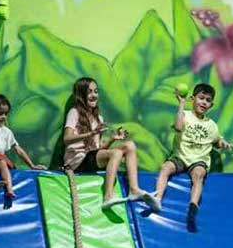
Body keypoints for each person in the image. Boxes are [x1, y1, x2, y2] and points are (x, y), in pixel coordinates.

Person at [62, 77, 160, 212]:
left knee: (130, 145)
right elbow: (66, 139)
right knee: (116, 153)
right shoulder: (75, 112)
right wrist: (91, 133)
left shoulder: (98, 118)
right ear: (81, 95)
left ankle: (134, 189)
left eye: (96, 91)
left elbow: (98, 151)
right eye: (89, 92)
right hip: (77, 162)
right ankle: (108, 196)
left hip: (90, 158)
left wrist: (113, 139)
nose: (93, 95)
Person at [153, 83, 231, 232]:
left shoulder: (211, 125)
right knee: (165, 168)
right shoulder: (185, 115)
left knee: (198, 174)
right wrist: (182, 103)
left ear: (211, 105)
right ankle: (157, 198)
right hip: (180, 156)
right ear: (192, 98)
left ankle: (192, 209)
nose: (204, 102)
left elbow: (216, 141)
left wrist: (223, 143)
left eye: (207, 100)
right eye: (201, 98)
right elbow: (178, 127)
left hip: (198, 160)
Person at [0, 93, 47, 201]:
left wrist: (32, 165)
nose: (4, 117)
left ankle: (9, 190)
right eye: (0, 114)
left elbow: (18, 149)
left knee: (3, 164)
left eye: (6, 114)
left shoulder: (6, 132)